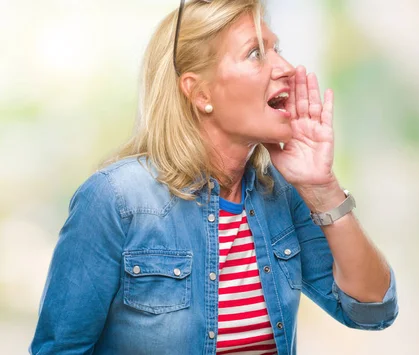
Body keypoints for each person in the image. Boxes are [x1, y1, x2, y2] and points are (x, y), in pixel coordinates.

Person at [30, 1, 398, 354]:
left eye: (277, 49)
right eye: (256, 53)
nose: (286, 66)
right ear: (200, 92)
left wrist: (323, 189)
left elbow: (373, 310)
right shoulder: (115, 199)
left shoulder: (282, 196)